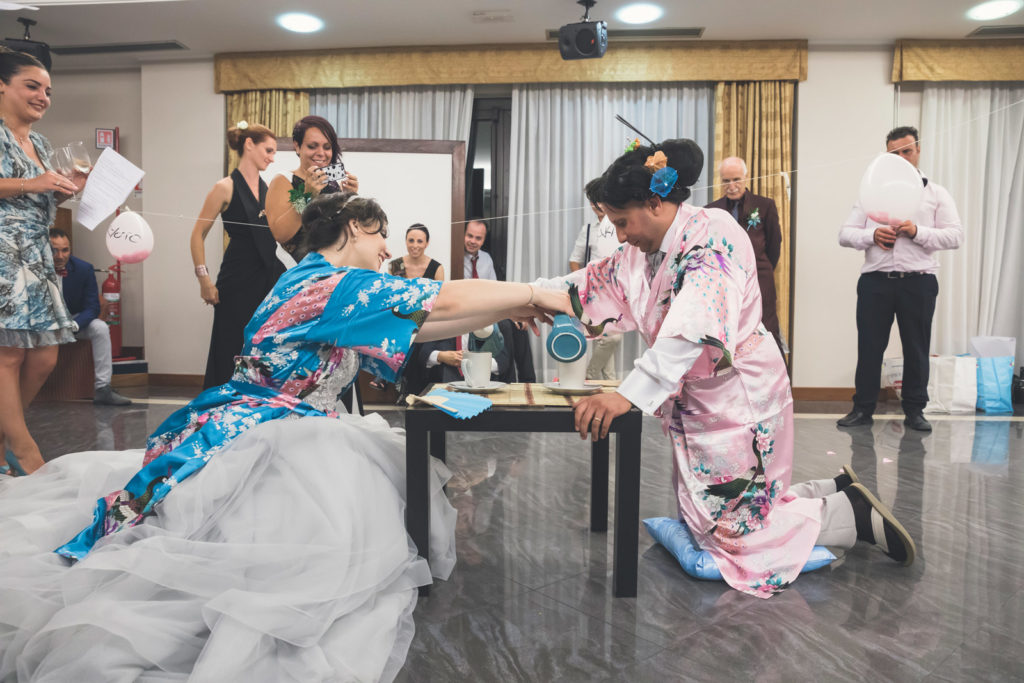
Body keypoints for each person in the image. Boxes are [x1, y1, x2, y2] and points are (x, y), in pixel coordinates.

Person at [0, 192, 570, 679]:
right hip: (272, 425)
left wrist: (514, 304)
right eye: (381, 238)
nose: (386, 251)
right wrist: (535, 292)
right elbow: (436, 301)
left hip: (281, 415)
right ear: (355, 229)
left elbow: (425, 324)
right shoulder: (329, 283)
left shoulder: (318, 281)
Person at [541, 138, 916, 598]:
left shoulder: (711, 234)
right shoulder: (643, 251)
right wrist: (534, 296)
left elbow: (692, 325)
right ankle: (827, 491)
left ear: (655, 202)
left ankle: (849, 518)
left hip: (739, 394)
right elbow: (591, 281)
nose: (619, 236)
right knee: (707, 516)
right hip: (700, 399)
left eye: (622, 222)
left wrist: (627, 394)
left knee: (729, 535)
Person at [837, 126, 963, 432]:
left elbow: (955, 235)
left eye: (907, 151)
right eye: (894, 154)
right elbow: (844, 234)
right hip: (876, 282)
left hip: (918, 282)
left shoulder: (935, 193)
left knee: (916, 348)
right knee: (869, 347)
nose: (901, 158)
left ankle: (915, 411)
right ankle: (862, 409)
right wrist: (871, 234)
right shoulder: (870, 194)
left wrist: (917, 232)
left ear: (918, 151)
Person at [0, 48, 84, 476]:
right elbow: (20, 187)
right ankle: (24, 449)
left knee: (46, 356)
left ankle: (2, 441)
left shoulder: (43, 143)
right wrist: (30, 183)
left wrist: (60, 192)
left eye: (48, 90)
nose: (43, 97)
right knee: (9, 355)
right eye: (32, 86)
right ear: (1, 85)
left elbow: (38, 198)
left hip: (37, 253)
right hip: (3, 252)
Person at [190, 121, 285, 388]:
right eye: (268, 150)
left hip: (268, 278)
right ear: (249, 144)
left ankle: (258, 404)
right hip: (237, 279)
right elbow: (197, 234)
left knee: (263, 347)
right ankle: (221, 406)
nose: (272, 157)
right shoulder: (224, 187)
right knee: (230, 345)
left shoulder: (270, 190)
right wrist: (204, 280)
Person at [705, 156, 784, 352]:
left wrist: (759, 269)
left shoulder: (765, 206)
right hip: (725, 284)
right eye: (726, 181)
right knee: (728, 331)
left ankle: (778, 381)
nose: (731, 186)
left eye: (736, 180)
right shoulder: (711, 210)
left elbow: (774, 246)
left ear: (746, 178)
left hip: (760, 281)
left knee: (767, 330)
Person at [48, 228, 132, 406]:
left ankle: (103, 389)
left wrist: (73, 325)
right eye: (54, 250)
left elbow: (92, 307)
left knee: (100, 328)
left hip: (73, 321)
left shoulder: (83, 269)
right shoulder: (34, 268)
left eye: (65, 250)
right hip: (43, 323)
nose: (60, 255)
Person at [266, 115, 359, 263]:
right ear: (297, 146)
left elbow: (346, 232)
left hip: (332, 270)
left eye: (327, 147)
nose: (321, 153)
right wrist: (307, 195)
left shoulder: (334, 184)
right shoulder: (284, 180)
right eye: (312, 146)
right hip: (297, 270)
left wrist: (350, 198)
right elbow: (281, 234)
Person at [569, 178, 623, 380]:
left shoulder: (620, 225)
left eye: (601, 200)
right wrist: (584, 282)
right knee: (608, 337)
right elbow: (574, 260)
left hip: (616, 291)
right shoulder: (588, 230)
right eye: (594, 201)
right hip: (594, 293)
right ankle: (599, 379)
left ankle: (600, 379)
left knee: (610, 337)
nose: (597, 205)